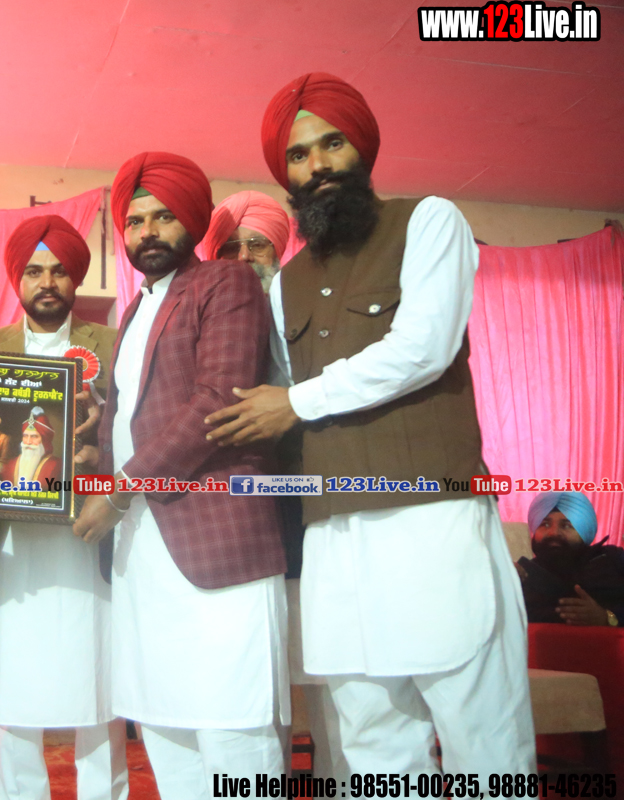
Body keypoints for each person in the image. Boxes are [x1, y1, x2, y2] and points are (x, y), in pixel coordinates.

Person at [205, 72, 535, 773]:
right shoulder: (287, 281)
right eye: (298, 155)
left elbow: (423, 348)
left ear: (363, 147)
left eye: (332, 144)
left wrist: (294, 403)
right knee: (372, 748)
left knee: (485, 744)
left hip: (430, 520)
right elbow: (271, 396)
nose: (317, 165)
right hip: (332, 537)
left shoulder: (429, 221)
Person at [73, 152, 290, 790]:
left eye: (163, 216)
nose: (147, 232)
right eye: (135, 220)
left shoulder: (226, 283)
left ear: (192, 221)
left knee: (233, 732)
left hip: (213, 541)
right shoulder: (135, 309)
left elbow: (217, 401)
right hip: (142, 553)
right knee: (164, 728)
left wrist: (118, 492)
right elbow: (127, 419)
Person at [0, 214, 127, 800]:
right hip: (9, 544)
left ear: (75, 277)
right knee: (14, 681)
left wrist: (99, 449)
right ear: (18, 279)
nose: (47, 282)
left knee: (98, 677)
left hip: (88, 534)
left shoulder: (112, 343)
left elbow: (136, 429)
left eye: (59, 271)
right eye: (34, 271)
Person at [203, 190, 346, 777]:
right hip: (236, 522)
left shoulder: (313, 304)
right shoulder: (202, 319)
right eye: (230, 247)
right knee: (260, 683)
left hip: (315, 509)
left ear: (280, 249)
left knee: (335, 677)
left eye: (256, 245)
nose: (242, 258)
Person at [518, 491, 624, 626]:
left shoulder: (613, 559)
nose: (554, 533)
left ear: (584, 531)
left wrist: (607, 617)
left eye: (567, 525)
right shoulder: (522, 573)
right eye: (545, 524)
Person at [198, 190, 291, 292]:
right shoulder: (195, 300)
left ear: (276, 252)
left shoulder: (298, 299)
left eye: (257, 245)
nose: (244, 256)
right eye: (231, 248)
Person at [1, 407, 62, 485]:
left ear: (44, 441)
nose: (28, 442)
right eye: (25, 436)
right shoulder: (10, 465)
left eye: (34, 436)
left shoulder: (57, 465)